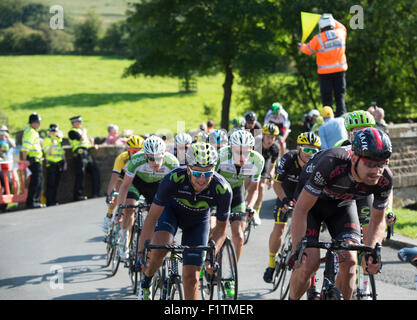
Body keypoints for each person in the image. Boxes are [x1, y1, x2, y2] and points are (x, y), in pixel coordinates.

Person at [288, 127, 393, 300]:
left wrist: (372, 251)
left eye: (382, 163)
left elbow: (377, 218)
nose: (377, 171)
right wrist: (296, 250)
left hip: (342, 205)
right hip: (311, 205)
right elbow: (301, 209)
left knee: (351, 262)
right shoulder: (331, 163)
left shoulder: (385, 178)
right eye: (370, 163)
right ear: (354, 158)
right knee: (307, 263)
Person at [136, 142, 232, 300]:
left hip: (198, 221)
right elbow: (152, 217)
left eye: (208, 174)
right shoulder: (173, 179)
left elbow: (222, 228)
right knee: (161, 246)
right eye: (197, 173)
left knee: (192, 277)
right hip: (171, 212)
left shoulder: (222, 189)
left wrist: (211, 255)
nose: (202, 179)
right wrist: (141, 252)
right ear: (188, 169)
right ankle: (147, 280)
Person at [263, 132, 321, 283]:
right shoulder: (288, 159)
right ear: (298, 148)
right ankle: (271, 264)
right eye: (306, 150)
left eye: (314, 150)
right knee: (279, 228)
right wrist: (284, 201)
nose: (310, 154)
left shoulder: (318, 164)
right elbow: (277, 184)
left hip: (305, 197)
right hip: (286, 193)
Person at [114, 136, 179, 261]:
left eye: (159, 158)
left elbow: (175, 191)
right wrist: (120, 210)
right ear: (145, 157)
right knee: (129, 208)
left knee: (157, 217)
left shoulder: (172, 162)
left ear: (164, 154)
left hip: (156, 186)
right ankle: (124, 235)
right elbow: (125, 186)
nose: (155, 162)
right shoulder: (136, 160)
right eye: (151, 159)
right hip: (136, 184)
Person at [216, 129, 265, 263]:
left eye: (246, 152)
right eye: (238, 152)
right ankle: (206, 262)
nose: (242, 156)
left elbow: (254, 189)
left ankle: (232, 274)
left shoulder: (257, 161)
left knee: (239, 236)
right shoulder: (221, 156)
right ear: (231, 148)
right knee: (213, 229)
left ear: (251, 149)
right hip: (217, 194)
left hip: (237, 193)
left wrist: (250, 206)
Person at [298, 13, 348, 117]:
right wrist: (332, 19)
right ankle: (342, 116)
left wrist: (301, 46)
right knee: (340, 96)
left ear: (321, 26)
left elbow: (308, 50)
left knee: (327, 98)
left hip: (325, 74)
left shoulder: (318, 38)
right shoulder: (341, 33)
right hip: (340, 71)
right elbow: (342, 26)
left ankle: (328, 117)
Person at [102, 135, 145, 234]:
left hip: (136, 178)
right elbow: (114, 176)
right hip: (122, 176)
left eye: (139, 151)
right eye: (133, 151)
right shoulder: (122, 158)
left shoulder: (144, 158)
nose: (136, 154)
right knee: (117, 193)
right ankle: (109, 216)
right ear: (127, 150)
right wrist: (109, 193)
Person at [252, 123, 280, 226]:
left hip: (263, 165)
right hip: (251, 163)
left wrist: (271, 178)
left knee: (261, 187)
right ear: (263, 135)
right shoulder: (256, 143)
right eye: (268, 136)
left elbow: (272, 166)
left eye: (273, 137)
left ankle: (256, 212)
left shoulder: (275, 149)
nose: (270, 140)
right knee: (247, 183)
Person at [68, 115, 101, 201]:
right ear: (73, 123)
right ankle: (78, 195)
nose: (80, 123)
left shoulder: (81, 131)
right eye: (78, 122)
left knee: (95, 171)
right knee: (80, 174)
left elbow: (86, 144)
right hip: (79, 154)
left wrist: (93, 144)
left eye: (81, 122)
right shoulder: (72, 132)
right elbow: (81, 139)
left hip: (87, 154)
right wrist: (84, 132)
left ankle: (95, 193)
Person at [21, 113, 44, 209]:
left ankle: (35, 201)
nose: (39, 124)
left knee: (39, 181)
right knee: (36, 181)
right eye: (38, 122)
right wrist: (25, 160)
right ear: (33, 123)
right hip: (33, 160)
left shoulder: (33, 132)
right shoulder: (30, 132)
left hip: (37, 160)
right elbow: (25, 147)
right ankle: (32, 202)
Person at [42, 124, 67, 206]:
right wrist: (53, 144)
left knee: (56, 183)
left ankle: (54, 200)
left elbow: (62, 152)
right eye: (52, 131)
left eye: (55, 131)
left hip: (59, 164)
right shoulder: (47, 140)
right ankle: (49, 201)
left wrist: (65, 162)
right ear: (49, 132)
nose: (54, 133)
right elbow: (47, 152)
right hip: (51, 164)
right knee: (51, 184)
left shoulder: (58, 140)